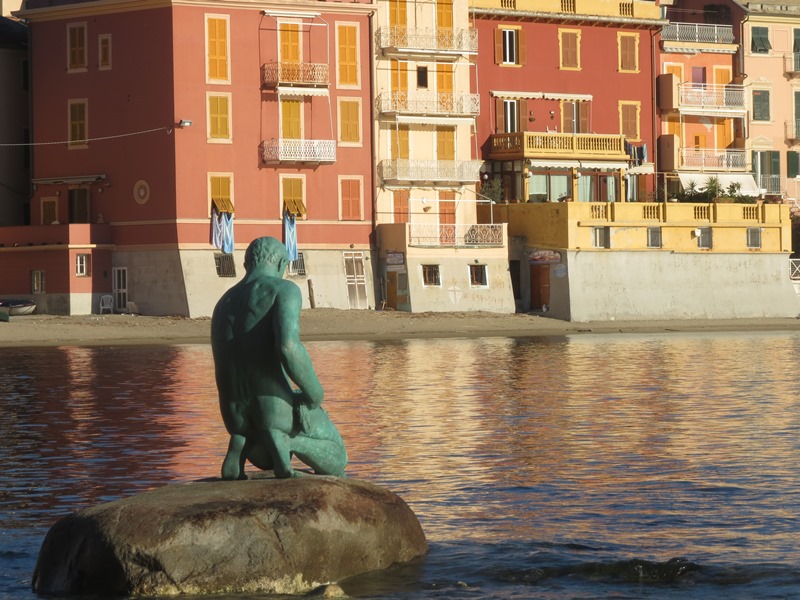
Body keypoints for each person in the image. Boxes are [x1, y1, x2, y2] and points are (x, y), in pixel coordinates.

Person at [210, 236, 347, 479]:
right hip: (273, 415)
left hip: (236, 420)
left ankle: (238, 452)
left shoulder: (222, 303)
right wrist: (313, 394)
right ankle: (287, 446)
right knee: (338, 460)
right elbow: (288, 347)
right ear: (283, 263)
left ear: (246, 265)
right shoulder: (284, 290)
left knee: (259, 439)